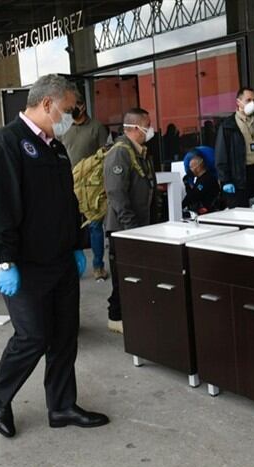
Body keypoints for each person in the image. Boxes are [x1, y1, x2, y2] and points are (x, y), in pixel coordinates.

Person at [0, 74, 106, 437]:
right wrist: (3, 260)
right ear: (47, 103)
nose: (70, 117)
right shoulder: (5, 143)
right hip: (25, 265)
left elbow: (68, 202)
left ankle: (62, 405)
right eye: (67, 109)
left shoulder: (55, 147)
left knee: (65, 337)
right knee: (32, 337)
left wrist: (78, 246)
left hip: (61, 260)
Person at [104, 107, 158, 334]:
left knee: (137, 275)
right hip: (124, 229)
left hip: (140, 227)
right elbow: (117, 194)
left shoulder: (141, 152)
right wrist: (131, 230)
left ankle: (134, 312)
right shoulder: (120, 152)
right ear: (136, 128)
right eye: (147, 124)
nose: (151, 129)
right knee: (122, 275)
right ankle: (115, 316)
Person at [61, 93, 109, 280]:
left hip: (91, 186)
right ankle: (70, 266)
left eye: (77, 104)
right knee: (69, 225)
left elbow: (105, 154)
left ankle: (98, 266)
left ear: (84, 106)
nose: (74, 108)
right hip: (67, 182)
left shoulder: (96, 128)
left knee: (95, 226)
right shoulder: (63, 128)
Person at [215, 86, 254, 207]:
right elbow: (221, 155)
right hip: (239, 175)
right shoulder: (228, 126)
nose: (252, 103)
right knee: (242, 213)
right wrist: (225, 180)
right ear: (238, 102)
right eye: (248, 100)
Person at [182, 146, 221, 215]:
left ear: (197, 167)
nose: (190, 169)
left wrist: (187, 184)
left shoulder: (206, 180)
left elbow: (194, 196)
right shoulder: (201, 179)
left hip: (209, 211)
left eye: (191, 167)